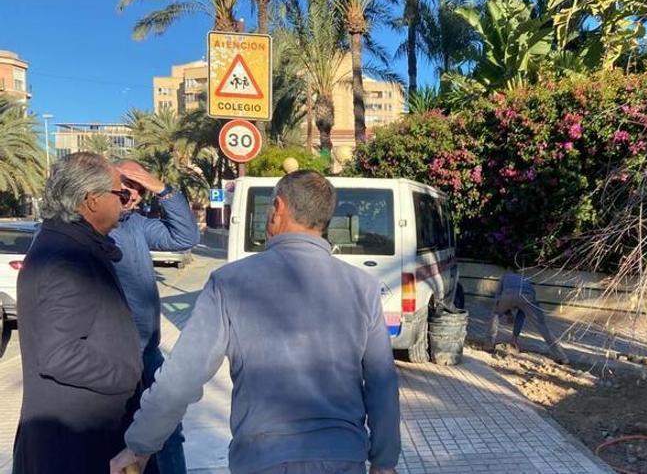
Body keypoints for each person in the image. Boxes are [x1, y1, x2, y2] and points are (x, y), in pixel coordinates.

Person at [111, 171, 401, 474]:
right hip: (343, 457)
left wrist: (139, 446)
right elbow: (382, 383)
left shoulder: (229, 282)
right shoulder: (362, 286)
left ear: (277, 208)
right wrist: (384, 461)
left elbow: (181, 378)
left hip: (263, 459)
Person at [13, 152, 143, 473]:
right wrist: (129, 376)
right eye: (121, 194)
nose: (125, 203)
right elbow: (60, 355)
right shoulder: (68, 259)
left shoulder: (67, 245)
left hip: (76, 438)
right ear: (92, 201)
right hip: (76, 445)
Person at [111, 160, 200, 474]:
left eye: (138, 188)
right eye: (125, 185)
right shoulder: (92, 230)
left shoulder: (135, 225)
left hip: (147, 351)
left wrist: (162, 189)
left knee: (167, 430)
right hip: (113, 355)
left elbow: (185, 238)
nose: (133, 195)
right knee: (117, 435)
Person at [483, 271, 569, 364]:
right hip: (528, 296)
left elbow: (498, 298)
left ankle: (488, 345)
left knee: (495, 314)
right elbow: (521, 314)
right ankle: (562, 357)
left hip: (509, 294)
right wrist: (514, 336)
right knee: (542, 326)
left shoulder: (505, 276)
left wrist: (507, 313)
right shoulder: (525, 280)